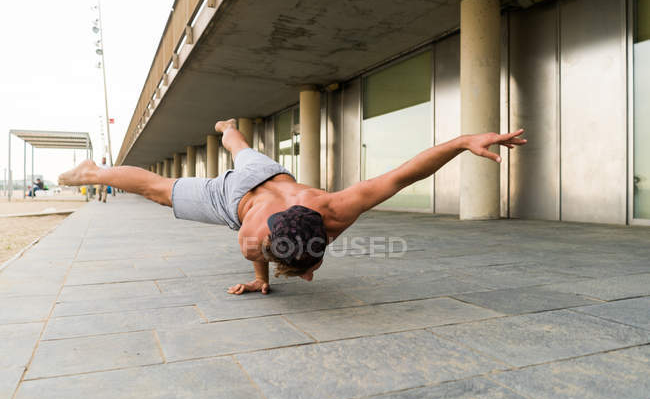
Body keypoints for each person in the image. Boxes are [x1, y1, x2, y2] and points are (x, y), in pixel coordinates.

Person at [59, 119, 526, 295]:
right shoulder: (252, 238)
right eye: (305, 271)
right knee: (160, 188)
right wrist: (261, 281)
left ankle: (228, 129)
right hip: (237, 196)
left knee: (240, 150)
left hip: (267, 178)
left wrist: (467, 141)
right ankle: (94, 172)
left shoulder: (340, 208)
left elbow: (407, 173)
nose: (306, 276)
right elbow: (406, 174)